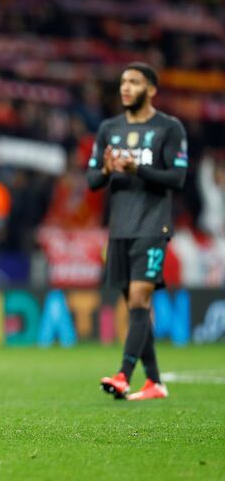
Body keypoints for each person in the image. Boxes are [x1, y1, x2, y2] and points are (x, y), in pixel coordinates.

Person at [87, 63, 187, 401]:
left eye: (134, 82)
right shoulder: (108, 129)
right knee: (135, 306)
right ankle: (155, 382)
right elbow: (92, 182)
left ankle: (123, 375)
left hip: (152, 225)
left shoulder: (168, 128)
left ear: (152, 89)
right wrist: (104, 169)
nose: (125, 88)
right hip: (120, 229)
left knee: (142, 298)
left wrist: (138, 169)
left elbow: (177, 178)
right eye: (123, 82)